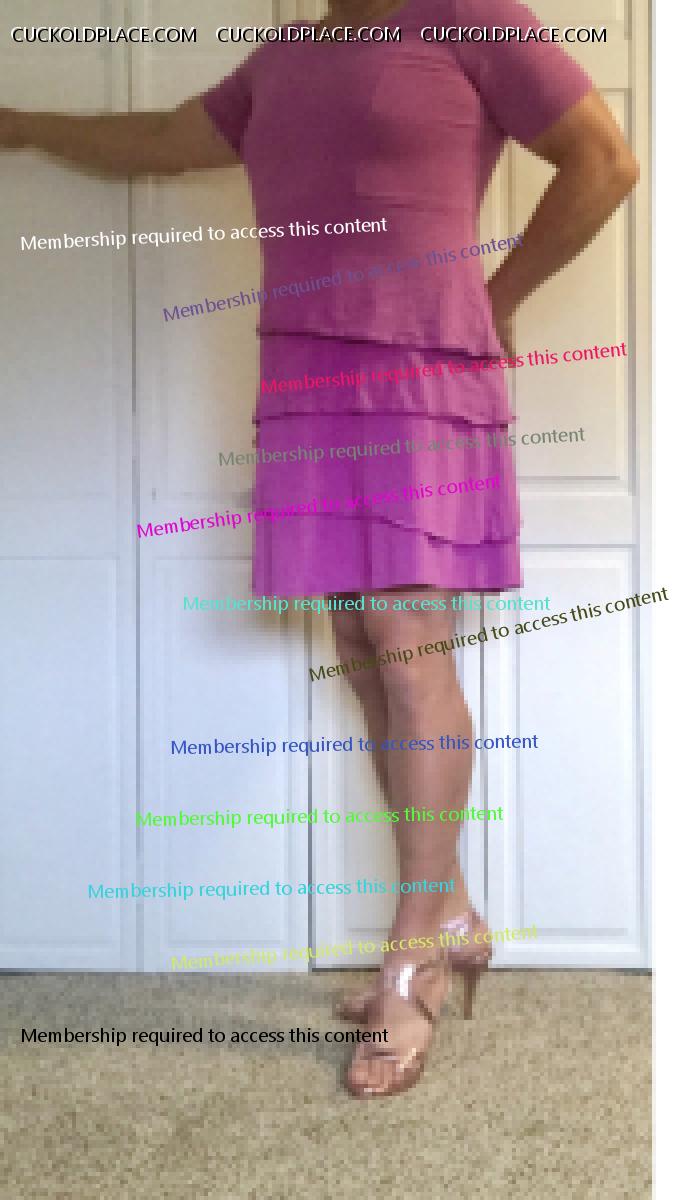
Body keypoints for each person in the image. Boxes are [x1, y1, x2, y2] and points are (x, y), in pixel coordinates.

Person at [0, 0, 638, 1098]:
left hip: (421, 370)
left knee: (406, 639)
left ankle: (411, 958)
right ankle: (449, 909)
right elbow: (158, 138)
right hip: (306, 377)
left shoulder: (469, 16)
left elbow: (604, 161)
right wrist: (20, 123)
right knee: (357, 644)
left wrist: (497, 299)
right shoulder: (287, 56)